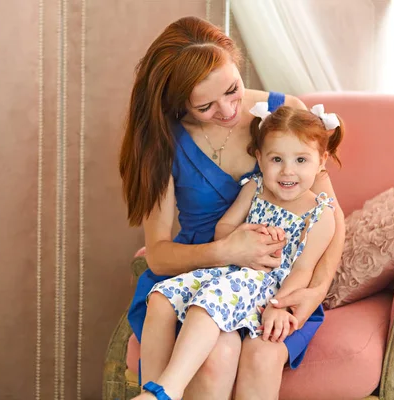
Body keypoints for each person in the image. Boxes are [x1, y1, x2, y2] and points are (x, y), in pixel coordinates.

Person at [119, 16, 346, 400]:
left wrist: (315, 291)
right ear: (178, 105)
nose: (227, 111)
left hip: (274, 282)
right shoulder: (164, 141)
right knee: (216, 356)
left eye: (232, 90)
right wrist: (225, 250)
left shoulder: (283, 114)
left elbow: (330, 216)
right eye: (205, 106)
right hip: (199, 273)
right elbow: (157, 256)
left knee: (259, 356)